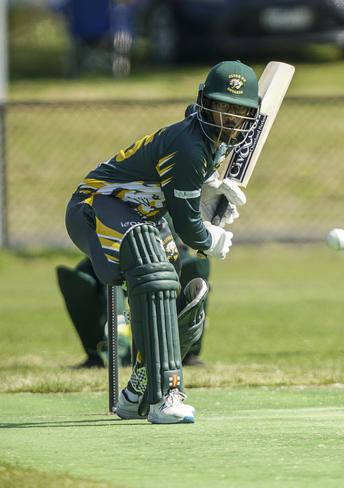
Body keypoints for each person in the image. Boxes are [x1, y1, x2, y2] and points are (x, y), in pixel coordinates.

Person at [65, 60, 259, 424]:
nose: (231, 119)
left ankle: (137, 389)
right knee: (153, 271)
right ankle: (165, 396)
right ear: (205, 104)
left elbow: (174, 194)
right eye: (223, 108)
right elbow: (187, 226)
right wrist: (209, 237)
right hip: (96, 206)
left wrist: (206, 192)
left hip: (144, 215)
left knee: (168, 280)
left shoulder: (210, 142)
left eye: (240, 111)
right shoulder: (190, 144)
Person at [56, 233, 211, 369]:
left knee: (195, 267)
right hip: (112, 250)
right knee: (80, 280)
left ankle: (185, 353)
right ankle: (106, 352)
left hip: (166, 247)